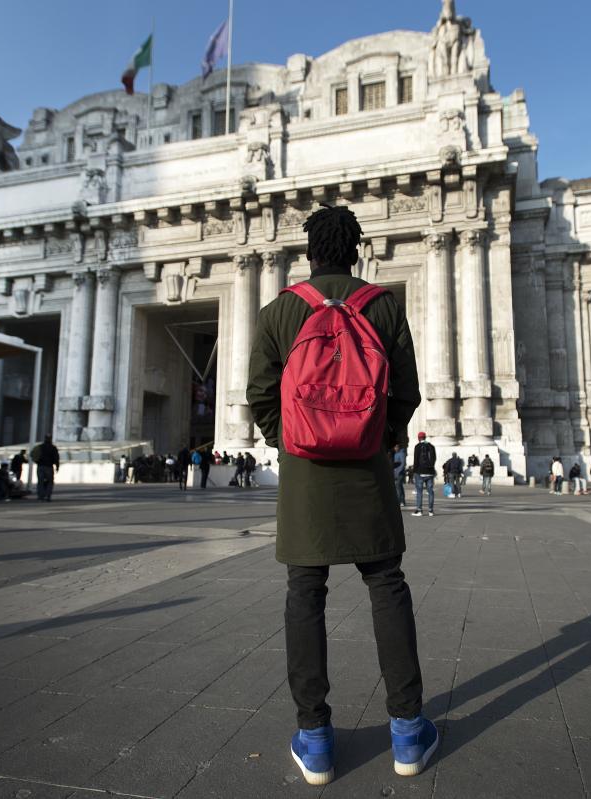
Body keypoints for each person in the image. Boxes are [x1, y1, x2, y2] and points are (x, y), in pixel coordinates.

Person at [246, 204, 435, 785]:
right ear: (356, 249)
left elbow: (258, 394)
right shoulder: (381, 304)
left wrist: (293, 442)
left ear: (310, 252)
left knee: (305, 592)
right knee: (386, 585)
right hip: (367, 468)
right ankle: (407, 732)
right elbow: (406, 390)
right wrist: (378, 437)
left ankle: (316, 739)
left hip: (304, 476)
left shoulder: (280, 310)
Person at [411, 432, 437, 517]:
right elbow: (434, 459)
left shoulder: (417, 447)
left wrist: (414, 471)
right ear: (425, 437)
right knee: (430, 492)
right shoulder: (431, 446)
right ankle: (431, 511)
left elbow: (416, 460)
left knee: (419, 492)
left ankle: (419, 510)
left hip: (420, 472)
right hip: (430, 472)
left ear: (419, 438)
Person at [31, 435, 60, 501]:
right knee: (50, 482)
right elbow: (56, 458)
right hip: (49, 467)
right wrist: (57, 467)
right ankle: (48, 496)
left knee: (40, 482)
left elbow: (32, 454)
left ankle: (41, 496)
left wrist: (37, 462)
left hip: (40, 466)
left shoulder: (40, 447)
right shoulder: (53, 448)